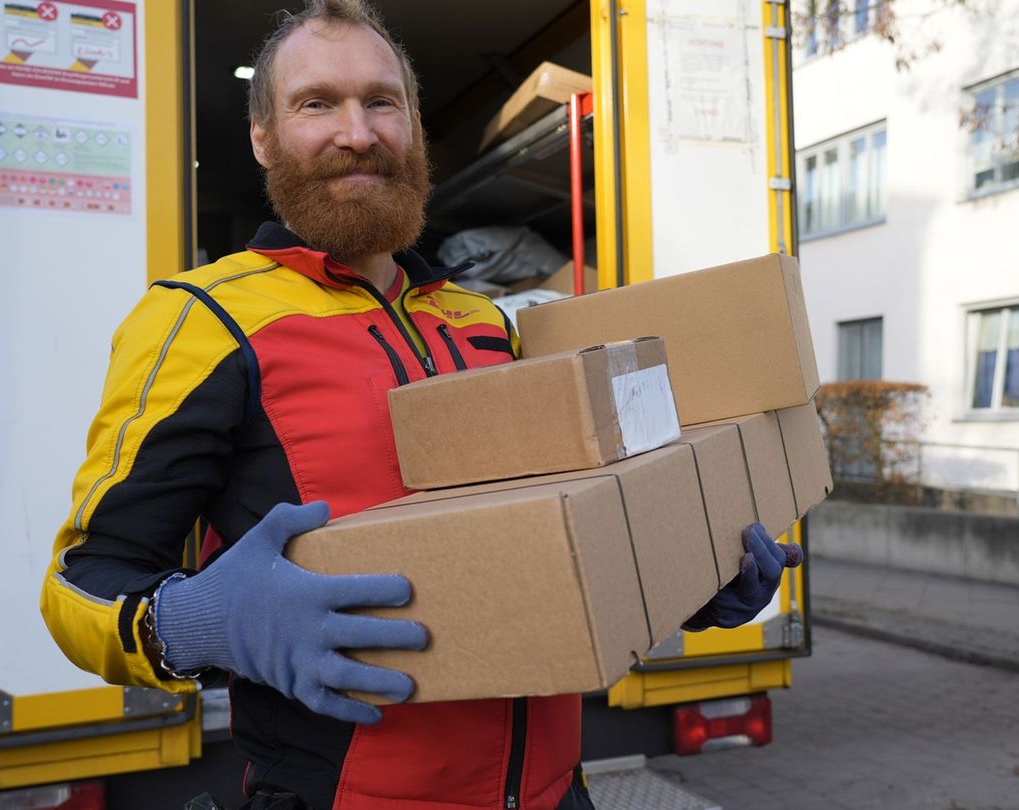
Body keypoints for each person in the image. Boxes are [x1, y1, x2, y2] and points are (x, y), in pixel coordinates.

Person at [39, 2, 802, 808]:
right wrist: (198, 621)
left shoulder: (483, 323)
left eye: (381, 101)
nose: (358, 132)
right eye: (316, 104)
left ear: (412, 127)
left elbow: (568, 530)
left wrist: (696, 577)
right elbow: (81, 585)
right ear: (263, 136)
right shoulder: (203, 320)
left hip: (551, 793)